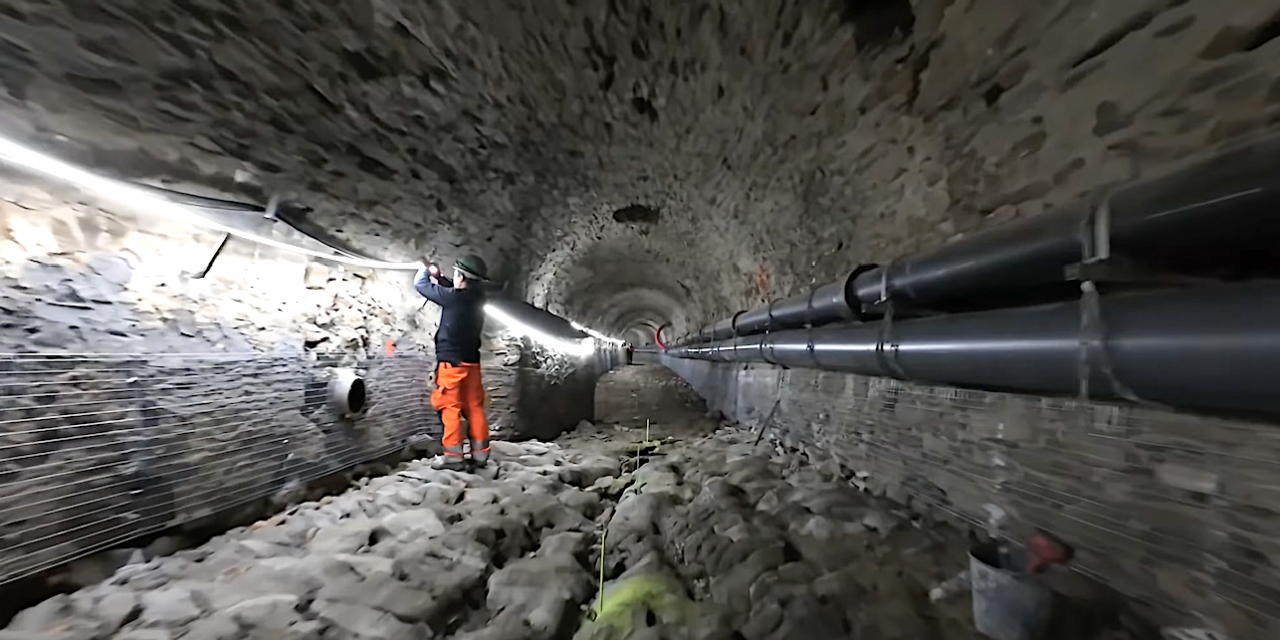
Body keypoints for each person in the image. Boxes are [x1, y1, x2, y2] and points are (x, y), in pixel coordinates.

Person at [414, 254, 490, 471]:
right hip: (471, 363)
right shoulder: (479, 298)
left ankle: (454, 457)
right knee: (474, 407)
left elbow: (420, 285)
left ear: (461, 276)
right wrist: (441, 277)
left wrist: (424, 269)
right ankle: (481, 454)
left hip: (451, 363)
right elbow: (454, 290)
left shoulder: (454, 298)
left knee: (450, 407)